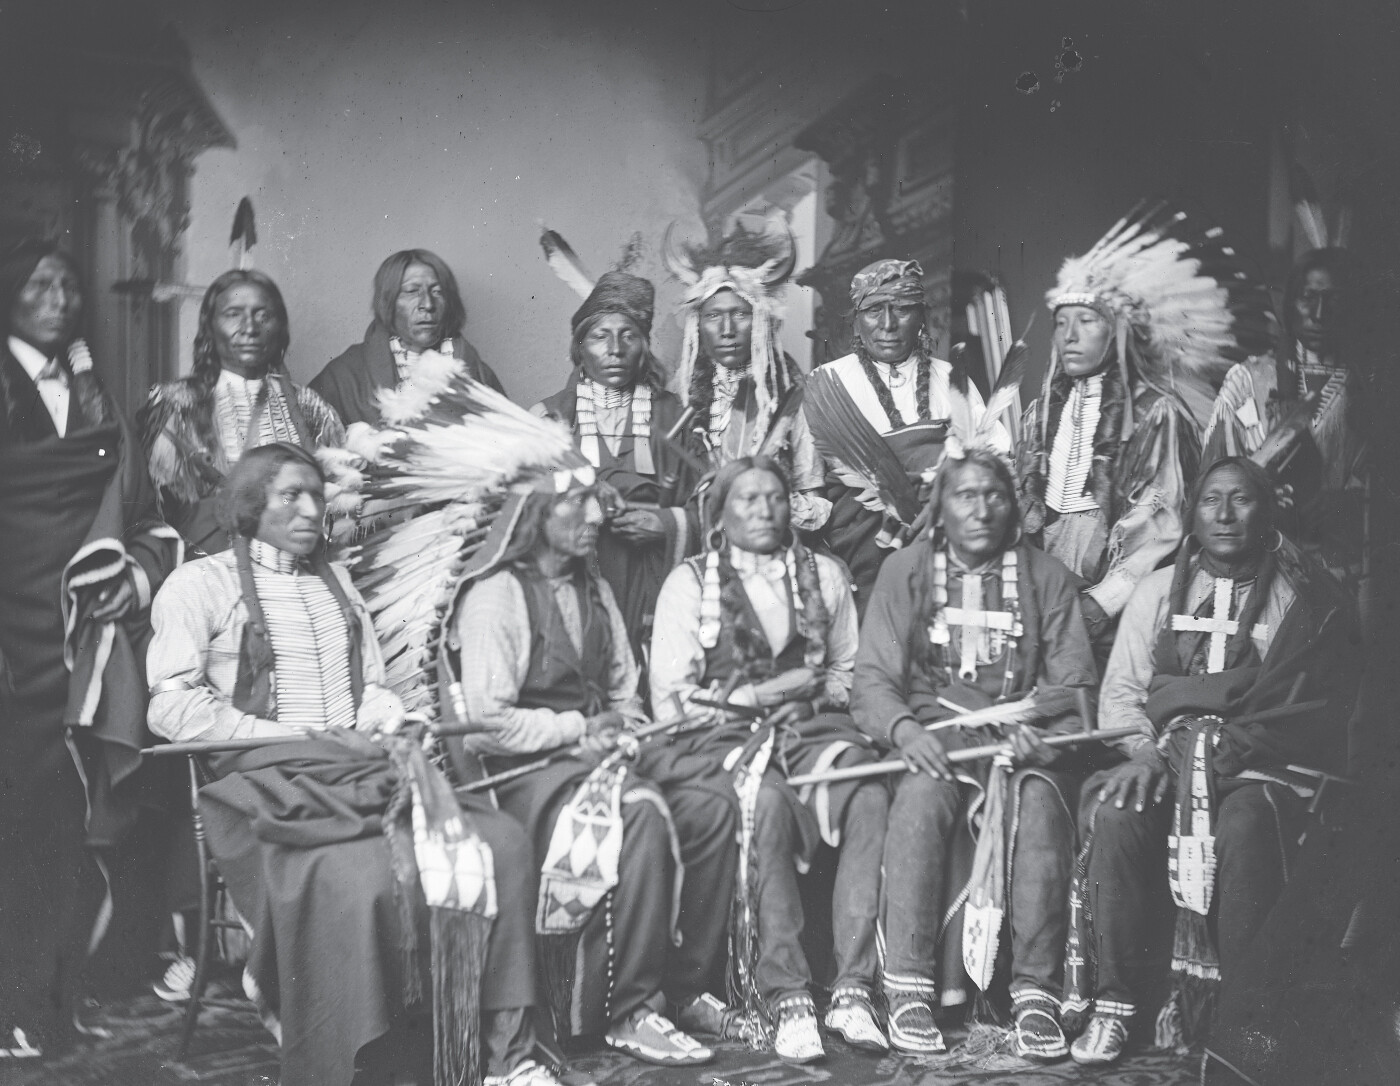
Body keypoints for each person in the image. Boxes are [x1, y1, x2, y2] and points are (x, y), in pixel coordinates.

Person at [146, 443, 565, 1086]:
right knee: (362, 879)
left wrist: (385, 716)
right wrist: (285, 735)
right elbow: (170, 710)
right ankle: (370, 1064)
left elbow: (367, 684)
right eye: (292, 495)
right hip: (265, 788)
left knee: (501, 843)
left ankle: (504, 1055)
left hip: (362, 769)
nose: (313, 509)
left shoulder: (334, 581)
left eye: (318, 494)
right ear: (250, 504)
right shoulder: (200, 585)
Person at [1065, 457, 1358, 1067]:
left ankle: (1240, 1018)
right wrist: (1149, 752)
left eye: (1242, 499)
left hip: (1259, 763)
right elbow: (1122, 694)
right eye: (1210, 500)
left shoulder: (1298, 595)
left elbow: (1309, 706)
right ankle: (1115, 1005)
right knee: (1119, 815)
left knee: (1245, 825)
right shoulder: (1155, 591)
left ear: (1267, 510)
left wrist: (1221, 747)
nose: (1225, 515)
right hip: (1166, 758)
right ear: (1192, 514)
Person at [444, 448, 715, 1068]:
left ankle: (688, 987)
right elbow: (486, 724)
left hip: (597, 754)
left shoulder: (592, 586)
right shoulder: (497, 596)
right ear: (536, 513)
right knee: (642, 810)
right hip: (524, 775)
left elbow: (624, 688)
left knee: (706, 795)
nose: (598, 514)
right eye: (578, 501)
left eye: (597, 499)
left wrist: (626, 728)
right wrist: (578, 728)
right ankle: (628, 1010)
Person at [851, 445, 1098, 1059]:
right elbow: (873, 679)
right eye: (966, 495)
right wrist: (906, 731)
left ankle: (1036, 994)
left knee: (1041, 802)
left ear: (1014, 506)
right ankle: (907, 987)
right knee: (920, 792)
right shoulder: (905, 569)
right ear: (940, 508)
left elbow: (1075, 687)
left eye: (995, 495)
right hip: (934, 737)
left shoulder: (1045, 577)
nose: (982, 509)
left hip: (1021, 748)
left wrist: (1040, 725)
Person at [0, 239, 181, 1057]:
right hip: (15, 642)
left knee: (75, 824)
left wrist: (129, 580)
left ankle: (58, 997)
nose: (59, 297)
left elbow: (140, 516)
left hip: (88, 650)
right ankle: (16, 1003)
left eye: (69, 285)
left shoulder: (95, 396)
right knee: (22, 823)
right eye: (40, 284)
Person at [647, 456, 888, 1061]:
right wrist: (759, 697)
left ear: (791, 507)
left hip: (807, 729)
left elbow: (846, 673)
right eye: (746, 500)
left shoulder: (824, 575)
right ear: (720, 516)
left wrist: (808, 694)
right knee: (769, 801)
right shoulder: (690, 582)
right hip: (719, 738)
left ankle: (854, 988)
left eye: (775, 497)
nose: (763, 510)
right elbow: (672, 698)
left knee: (867, 793)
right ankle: (788, 993)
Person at [1018, 202, 1273, 654]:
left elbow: (1163, 522)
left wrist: (1105, 599)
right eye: (1061, 323)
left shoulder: (1157, 415)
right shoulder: (1038, 415)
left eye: (1087, 321)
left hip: (1114, 586)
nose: (1069, 336)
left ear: (1117, 330)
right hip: (1041, 580)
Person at [802, 258, 1001, 613]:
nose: (889, 325)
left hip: (946, 547)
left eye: (903, 310)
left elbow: (995, 465)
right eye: (875, 310)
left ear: (922, 317)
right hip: (860, 560)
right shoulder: (825, 383)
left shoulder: (951, 380)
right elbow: (809, 487)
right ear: (857, 320)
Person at [532, 269, 699, 657]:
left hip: (655, 571)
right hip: (579, 571)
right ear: (580, 347)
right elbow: (522, 513)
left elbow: (709, 503)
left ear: (644, 345)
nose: (616, 349)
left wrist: (666, 523)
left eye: (629, 335)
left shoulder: (678, 418)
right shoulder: (547, 420)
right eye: (600, 336)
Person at [140, 269, 345, 554]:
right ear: (210, 326)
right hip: (206, 566)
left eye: (263, 315)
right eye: (233, 314)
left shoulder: (310, 406)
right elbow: (157, 512)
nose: (250, 328)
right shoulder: (178, 404)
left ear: (280, 328)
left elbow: (337, 499)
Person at [661, 221, 830, 531]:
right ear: (698, 324)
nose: (727, 331)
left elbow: (813, 498)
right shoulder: (678, 393)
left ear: (762, 319)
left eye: (740, 314)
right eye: (714, 315)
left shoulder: (792, 393)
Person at [311, 248, 506, 425]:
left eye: (438, 292)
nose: (428, 304)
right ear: (388, 302)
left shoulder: (476, 371)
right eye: (412, 291)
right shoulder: (346, 374)